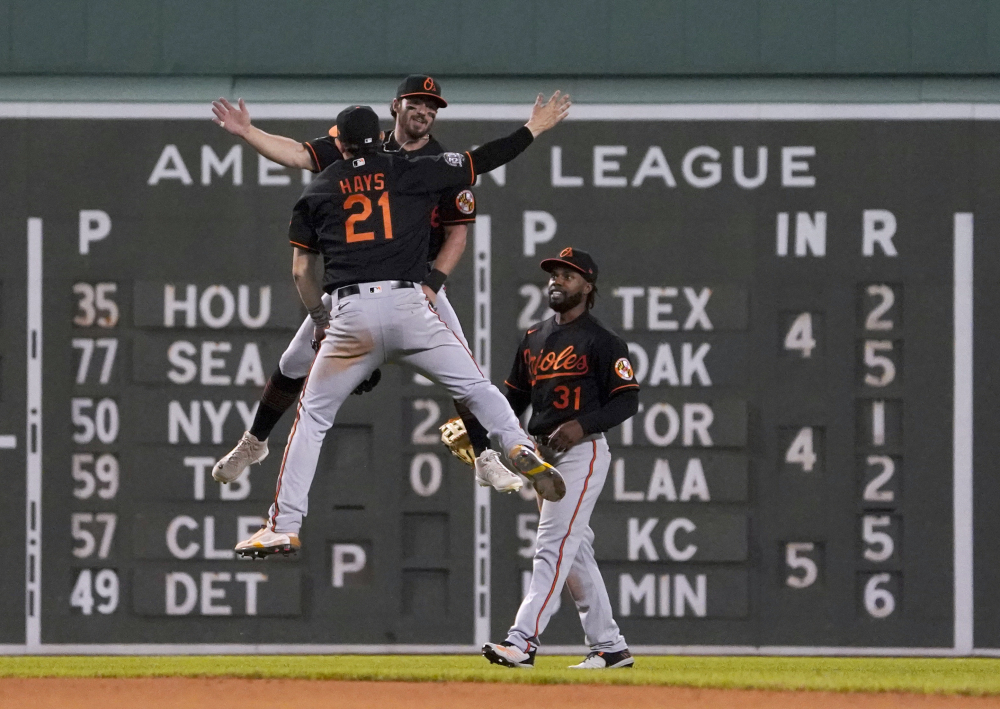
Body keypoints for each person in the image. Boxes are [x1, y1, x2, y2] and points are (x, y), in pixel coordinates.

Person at [235, 93, 571, 558]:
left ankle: (283, 525)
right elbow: (480, 160)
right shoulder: (411, 169)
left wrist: (320, 318)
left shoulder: (317, 191)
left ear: (342, 143)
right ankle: (516, 445)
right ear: (378, 139)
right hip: (410, 304)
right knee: (476, 387)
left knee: (311, 419)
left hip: (350, 314)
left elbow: (300, 273)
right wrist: (533, 127)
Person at [209, 75, 519, 494]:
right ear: (396, 106)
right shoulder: (364, 145)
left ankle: (485, 457)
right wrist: (249, 131)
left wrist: (431, 285)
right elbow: (300, 153)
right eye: (416, 102)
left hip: (414, 282)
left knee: (465, 373)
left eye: (432, 106)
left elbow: (457, 235)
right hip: (353, 283)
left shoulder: (436, 163)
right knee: (293, 361)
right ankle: (255, 441)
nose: (424, 111)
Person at [482, 248, 639, 670]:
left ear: (588, 286)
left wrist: (581, 426)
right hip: (541, 457)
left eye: (567, 275)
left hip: (582, 453)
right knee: (576, 550)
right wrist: (479, 428)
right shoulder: (534, 337)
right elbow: (510, 400)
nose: (556, 280)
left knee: (552, 546)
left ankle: (522, 641)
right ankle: (610, 646)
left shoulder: (603, 341)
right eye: (553, 274)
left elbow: (627, 402)